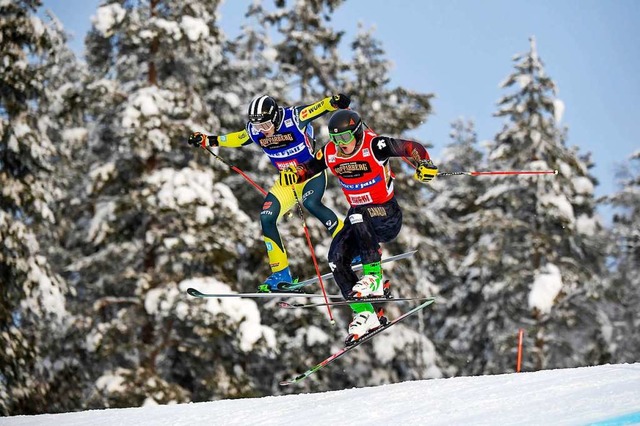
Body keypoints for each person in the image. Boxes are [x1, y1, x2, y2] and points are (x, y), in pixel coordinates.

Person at [278, 109, 438, 343]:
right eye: (335, 139)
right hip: (359, 220)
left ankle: (374, 277)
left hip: (386, 215)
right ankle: (367, 313)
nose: (340, 144)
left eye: (344, 138)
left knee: (359, 212)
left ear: (357, 132)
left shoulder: (376, 146)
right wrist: (295, 174)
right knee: (336, 258)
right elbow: (310, 168)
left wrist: (424, 163)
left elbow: (411, 147)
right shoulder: (331, 152)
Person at [188, 94, 351, 292]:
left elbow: (319, 107)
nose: (262, 131)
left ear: (274, 118)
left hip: (310, 175)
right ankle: (281, 274)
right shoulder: (255, 130)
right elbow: (237, 138)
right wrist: (208, 140)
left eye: (265, 125)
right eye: (258, 127)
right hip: (287, 182)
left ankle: (351, 247)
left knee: (311, 204)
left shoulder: (294, 118)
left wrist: (334, 102)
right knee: (266, 217)